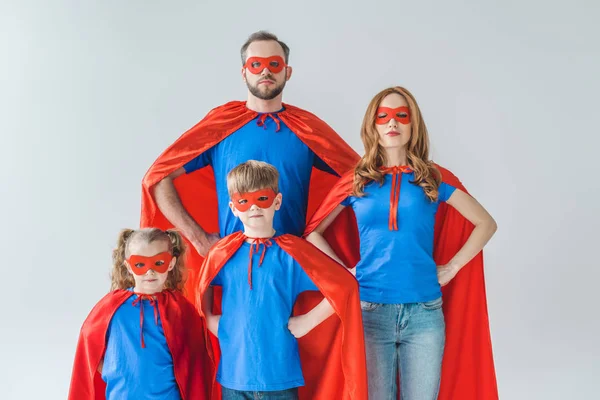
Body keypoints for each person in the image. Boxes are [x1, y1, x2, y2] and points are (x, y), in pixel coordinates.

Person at [305, 87, 499, 399]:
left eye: (401, 116)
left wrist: (453, 267)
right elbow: (313, 232)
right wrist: (345, 272)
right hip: (370, 310)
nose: (392, 123)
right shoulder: (357, 181)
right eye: (383, 116)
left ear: (413, 125)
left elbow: (486, 223)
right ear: (373, 125)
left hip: (424, 313)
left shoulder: (432, 178)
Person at [141, 31, 358, 297]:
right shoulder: (222, 126)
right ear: (244, 73)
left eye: (274, 64)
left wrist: (316, 233)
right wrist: (199, 240)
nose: (265, 71)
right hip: (234, 264)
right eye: (256, 64)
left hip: (292, 267)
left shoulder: (306, 129)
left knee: (291, 335)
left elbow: (359, 175)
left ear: (287, 72)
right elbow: (159, 177)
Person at [197, 160, 367, 400]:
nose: (253, 208)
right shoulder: (223, 253)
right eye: (244, 201)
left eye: (262, 199)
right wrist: (209, 319)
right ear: (233, 208)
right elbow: (201, 283)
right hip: (234, 376)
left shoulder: (293, 253)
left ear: (277, 201)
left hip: (280, 378)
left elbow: (345, 287)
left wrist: (307, 321)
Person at [68, 228, 212, 400]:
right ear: (128, 266)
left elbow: (195, 365)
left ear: (172, 263)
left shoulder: (180, 309)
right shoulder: (111, 307)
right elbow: (88, 350)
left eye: (159, 263)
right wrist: (111, 369)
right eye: (140, 264)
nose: (149, 272)